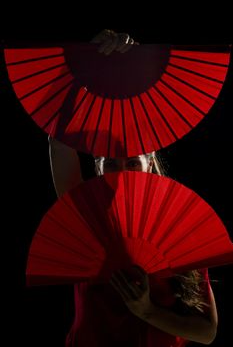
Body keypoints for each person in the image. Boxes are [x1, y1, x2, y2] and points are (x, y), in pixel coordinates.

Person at [48, 30, 218, 346]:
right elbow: (58, 142)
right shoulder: (88, 218)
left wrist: (147, 311)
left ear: (150, 163)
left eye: (132, 162)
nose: (122, 171)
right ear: (96, 168)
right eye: (110, 163)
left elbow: (207, 331)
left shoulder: (182, 224)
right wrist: (88, 67)